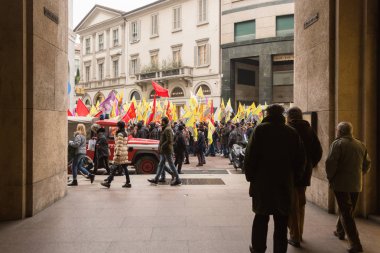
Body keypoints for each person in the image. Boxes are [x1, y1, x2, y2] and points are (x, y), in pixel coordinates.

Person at [243, 104, 305, 253]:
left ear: (268, 113)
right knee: (281, 221)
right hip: (284, 183)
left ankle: (258, 249)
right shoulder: (291, 132)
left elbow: (250, 157)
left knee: (261, 218)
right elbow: (301, 160)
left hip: (262, 183)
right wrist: (294, 179)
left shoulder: (260, 130)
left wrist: (251, 178)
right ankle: (279, 250)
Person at [326, 122, 371, 253]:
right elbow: (367, 163)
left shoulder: (337, 144)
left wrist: (330, 177)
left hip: (340, 184)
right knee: (347, 210)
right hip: (356, 183)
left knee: (346, 212)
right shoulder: (360, 144)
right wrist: (360, 174)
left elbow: (331, 163)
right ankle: (340, 231)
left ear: (339, 131)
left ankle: (355, 244)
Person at [286, 107, 323, 248]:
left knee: (292, 205)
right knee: (301, 202)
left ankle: (295, 236)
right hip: (305, 172)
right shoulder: (309, 130)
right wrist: (310, 164)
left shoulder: (288, 130)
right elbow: (318, 151)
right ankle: (299, 233)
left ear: (289, 117)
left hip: (292, 172)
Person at [148, 117, 181, 186]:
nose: (160, 122)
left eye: (162, 121)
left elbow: (169, 140)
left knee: (171, 164)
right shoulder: (165, 128)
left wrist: (162, 145)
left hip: (167, 150)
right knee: (160, 164)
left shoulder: (168, 129)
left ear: (164, 122)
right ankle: (156, 179)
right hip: (164, 150)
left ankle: (178, 179)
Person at [101, 121, 131, 188]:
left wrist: (117, 154)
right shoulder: (125, 133)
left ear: (119, 126)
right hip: (124, 152)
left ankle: (108, 182)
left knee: (114, 167)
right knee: (124, 168)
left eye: (117, 126)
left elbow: (119, 144)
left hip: (120, 153)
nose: (116, 127)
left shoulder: (120, 134)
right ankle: (128, 182)